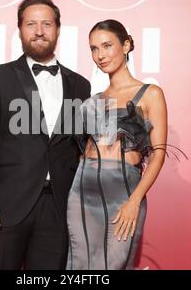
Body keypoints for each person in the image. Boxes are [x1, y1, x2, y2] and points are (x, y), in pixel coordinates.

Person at [0, 0, 91, 270]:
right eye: (30, 24)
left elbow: (82, 148)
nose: (39, 31)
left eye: (46, 24)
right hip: (5, 208)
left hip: (58, 209)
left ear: (58, 29)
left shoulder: (81, 85)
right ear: (20, 29)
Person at [66, 19, 168, 270]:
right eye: (93, 49)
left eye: (107, 46)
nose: (100, 55)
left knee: (113, 265)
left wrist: (134, 201)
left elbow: (158, 154)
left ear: (126, 45)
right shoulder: (92, 100)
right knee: (79, 265)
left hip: (123, 194)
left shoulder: (150, 93)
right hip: (82, 193)